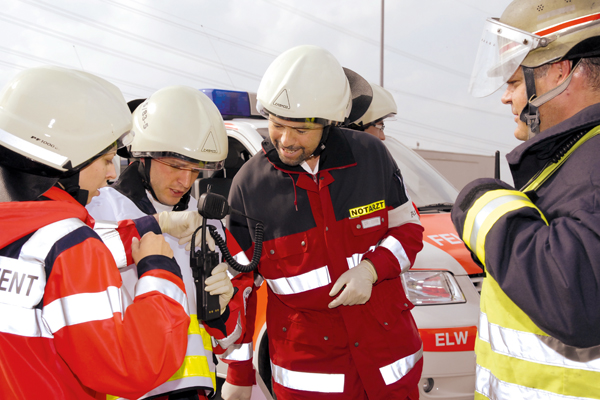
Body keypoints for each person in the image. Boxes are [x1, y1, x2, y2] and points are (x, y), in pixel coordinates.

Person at [222, 45, 424, 400]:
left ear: (328, 123)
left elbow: (408, 230)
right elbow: (242, 287)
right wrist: (239, 375)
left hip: (389, 370)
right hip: (310, 380)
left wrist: (372, 270)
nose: (285, 139)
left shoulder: (371, 158)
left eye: (299, 130)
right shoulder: (249, 188)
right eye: (277, 124)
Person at [0, 66, 196, 399]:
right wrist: (160, 273)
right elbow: (130, 367)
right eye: (105, 159)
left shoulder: (28, 238)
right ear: (61, 163)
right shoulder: (73, 249)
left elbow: (47, 251)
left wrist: (150, 224)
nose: (111, 174)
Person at [451, 1, 600, 398]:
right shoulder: (576, 158)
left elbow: (575, 297)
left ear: (558, 72)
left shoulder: (593, 163)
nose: (505, 98)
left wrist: (481, 204)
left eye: (514, 82)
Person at [86, 85, 254, 400]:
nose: (186, 181)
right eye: (176, 166)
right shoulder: (98, 209)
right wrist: (156, 225)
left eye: (196, 170)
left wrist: (222, 312)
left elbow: (231, 338)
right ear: (143, 155)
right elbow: (74, 262)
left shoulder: (211, 224)